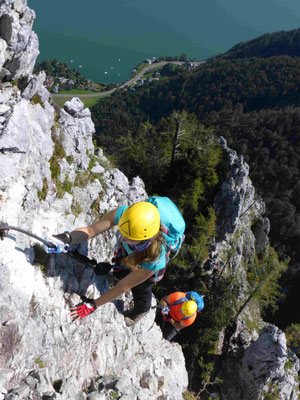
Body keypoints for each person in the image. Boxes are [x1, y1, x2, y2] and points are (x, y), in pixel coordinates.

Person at [52, 201, 170, 326]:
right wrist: (66, 238)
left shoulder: (154, 259)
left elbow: (122, 287)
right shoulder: (125, 215)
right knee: (122, 265)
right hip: (131, 251)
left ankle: (141, 310)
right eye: (123, 232)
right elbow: (91, 230)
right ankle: (121, 272)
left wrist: (93, 304)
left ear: (144, 238)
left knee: (141, 288)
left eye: (129, 237)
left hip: (148, 265)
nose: (122, 238)